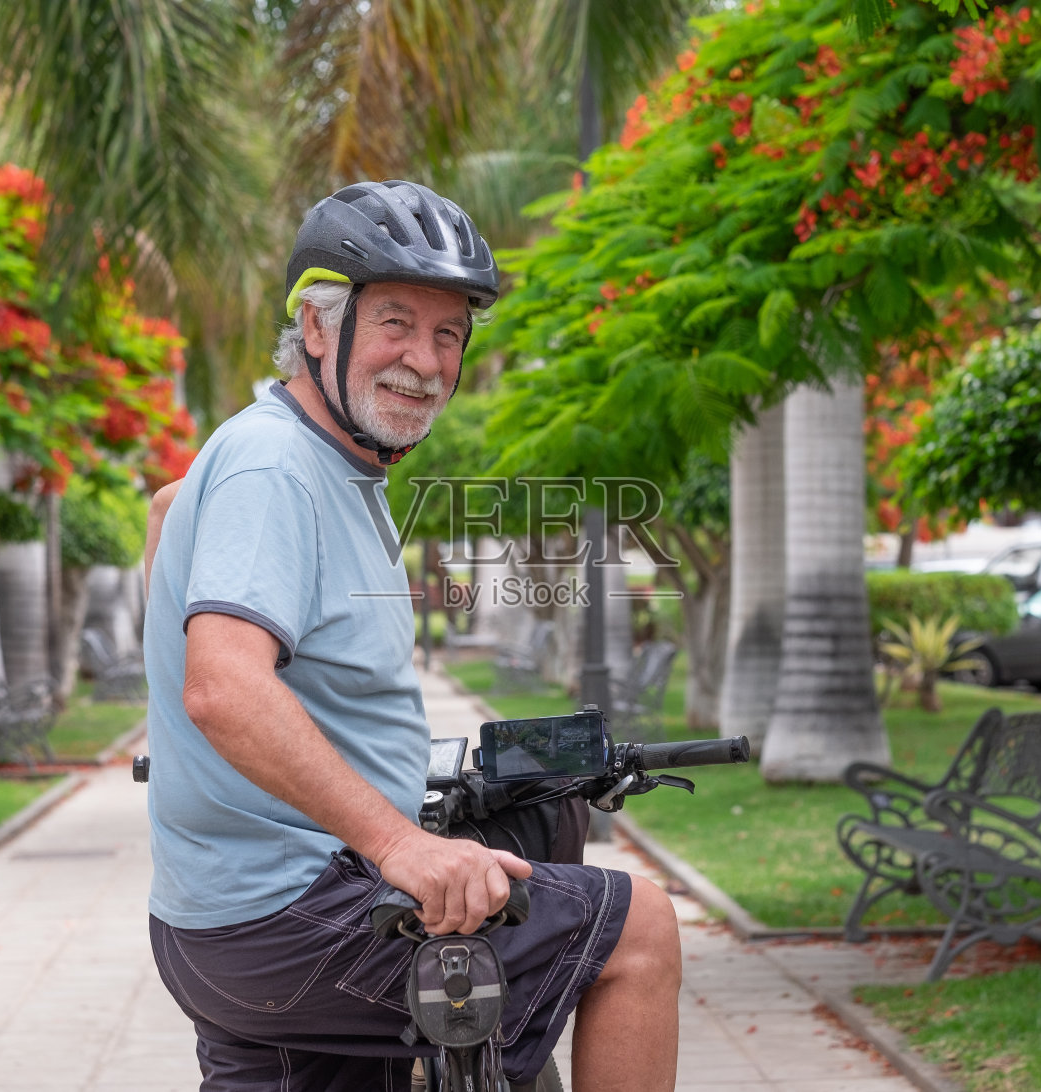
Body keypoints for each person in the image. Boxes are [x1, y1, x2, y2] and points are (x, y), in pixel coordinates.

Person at [142, 179, 681, 1092]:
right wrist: (401, 845)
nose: (424, 361)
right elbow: (223, 687)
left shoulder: (303, 457)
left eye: (448, 336)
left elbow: (169, 508)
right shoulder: (276, 463)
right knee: (639, 929)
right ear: (317, 328)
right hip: (291, 916)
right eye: (395, 323)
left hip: (225, 920)